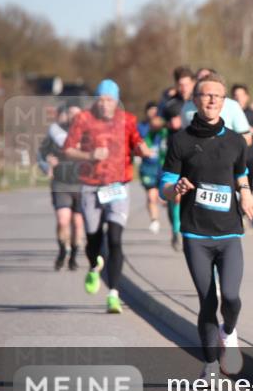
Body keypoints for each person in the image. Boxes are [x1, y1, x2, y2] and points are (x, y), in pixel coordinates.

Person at [161, 73, 253, 378]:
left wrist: (245, 193)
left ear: (225, 101)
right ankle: (211, 364)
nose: (212, 99)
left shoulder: (235, 141)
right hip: (195, 234)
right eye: (206, 95)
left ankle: (228, 331)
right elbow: (165, 186)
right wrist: (175, 190)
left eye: (218, 95)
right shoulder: (181, 141)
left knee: (230, 297)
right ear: (195, 100)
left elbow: (241, 173)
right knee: (207, 300)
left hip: (229, 232)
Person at [63, 79, 154, 313]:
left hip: (117, 186)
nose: (104, 104)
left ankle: (113, 294)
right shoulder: (83, 119)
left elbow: (137, 143)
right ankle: (94, 265)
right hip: (91, 186)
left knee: (114, 238)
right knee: (93, 238)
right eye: (101, 99)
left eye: (109, 100)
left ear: (117, 101)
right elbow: (68, 150)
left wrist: (143, 151)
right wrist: (90, 154)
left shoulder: (128, 120)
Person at [37, 103, 84, 270]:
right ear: (67, 115)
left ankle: (74, 256)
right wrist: (46, 165)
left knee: (77, 223)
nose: (74, 117)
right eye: (71, 113)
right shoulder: (56, 132)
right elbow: (41, 154)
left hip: (82, 184)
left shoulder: (88, 133)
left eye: (77, 114)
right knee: (63, 221)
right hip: (61, 183)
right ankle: (63, 250)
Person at [159, 66, 195, 250]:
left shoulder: (198, 102)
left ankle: (187, 230)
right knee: (176, 196)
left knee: (190, 194)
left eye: (186, 84)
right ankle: (176, 230)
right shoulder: (171, 104)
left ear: (193, 83)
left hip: (194, 154)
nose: (183, 88)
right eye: (180, 85)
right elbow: (155, 121)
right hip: (174, 153)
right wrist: (168, 123)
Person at [181, 68, 252, 143]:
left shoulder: (232, 105)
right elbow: (185, 137)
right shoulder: (186, 107)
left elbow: (247, 137)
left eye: (207, 78)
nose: (205, 81)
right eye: (200, 79)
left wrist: (227, 149)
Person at [137, 102, 169, 233]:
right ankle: (154, 220)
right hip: (148, 166)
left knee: (163, 196)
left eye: (156, 111)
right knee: (151, 195)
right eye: (151, 111)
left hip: (163, 166)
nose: (154, 114)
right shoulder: (141, 127)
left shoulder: (165, 128)